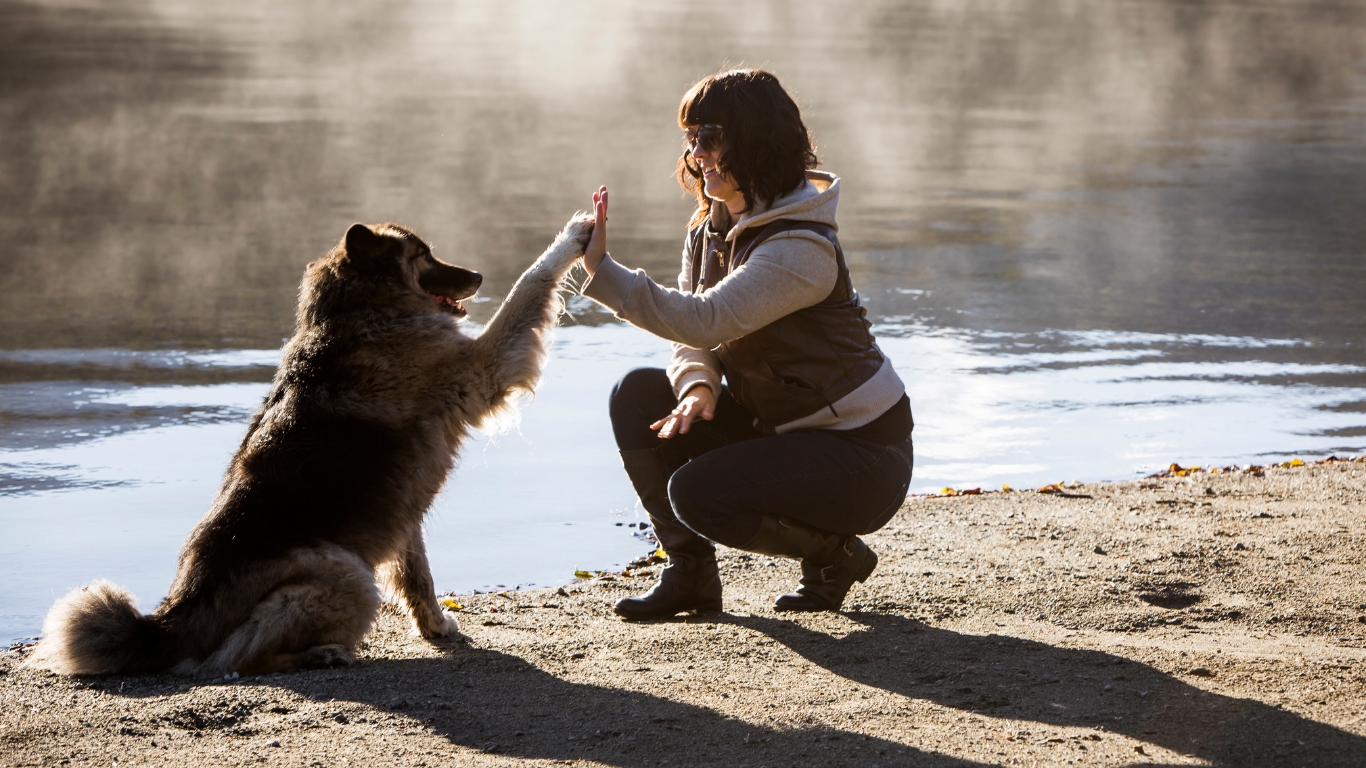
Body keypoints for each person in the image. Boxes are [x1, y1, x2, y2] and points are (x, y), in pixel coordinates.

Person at [579, 68, 914, 619]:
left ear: (754, 139)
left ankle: (836, 557)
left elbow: (706, 318)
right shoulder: (711, 226)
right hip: (777, 427)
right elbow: (694, 338)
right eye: (690, 139)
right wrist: (696, 387)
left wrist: (604, 272)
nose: (696, 153)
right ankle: (689, 576)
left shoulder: (801, 246)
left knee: (696, 495)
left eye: (708, 138)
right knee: (637, 395)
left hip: (863, 454)